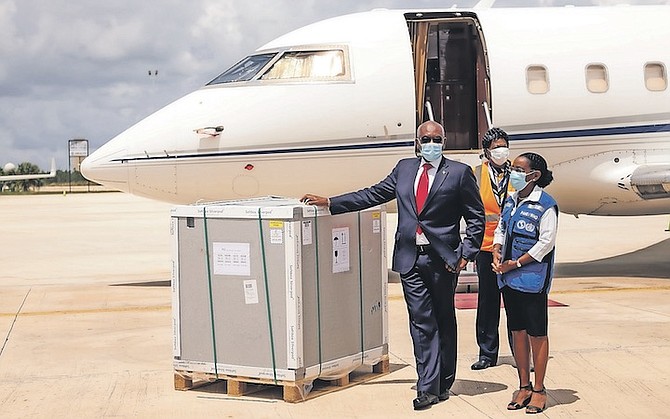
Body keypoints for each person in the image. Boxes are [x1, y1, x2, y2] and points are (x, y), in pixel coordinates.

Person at [302, 121, 484, 410]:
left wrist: (466, 252)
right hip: (409, 257)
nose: (431, 143)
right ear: (417, 141)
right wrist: (331, 202)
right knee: (422, 322)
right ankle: (427, 387)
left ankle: (444, 381)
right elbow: (373, 194)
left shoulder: (460, 174)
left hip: (443, 260)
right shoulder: (404, 168)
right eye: (426, 138)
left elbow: (476, 217)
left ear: (444, 141)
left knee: (443, 320)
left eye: (437, 139)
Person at [491, 152, 558, 414]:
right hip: (509, 280)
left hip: (532, 280)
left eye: (519, 170)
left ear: (534, 175)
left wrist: (516, 263)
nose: (513, 174)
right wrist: (497, 249)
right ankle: (523, 385)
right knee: (517, 331)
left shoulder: (545, 205)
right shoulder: (511, 200)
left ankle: (539, 390)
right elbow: (502, 227)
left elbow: (545, 244)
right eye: (513, 169)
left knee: (537, 334)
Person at [471, 127, 514, 371]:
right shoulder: (476, 174)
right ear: (486, 151)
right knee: (488, 302)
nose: (501, 150)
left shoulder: (517, 174)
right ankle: (487, 353)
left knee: (515, 301)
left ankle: (520, 350)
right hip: (486, 247)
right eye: (496, 147)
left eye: (504, 145)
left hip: (512, 247)